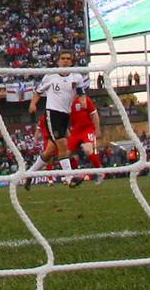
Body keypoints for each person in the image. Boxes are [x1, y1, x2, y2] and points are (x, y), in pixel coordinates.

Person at [25, 50, 85, 189]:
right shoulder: (50, 76)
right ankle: (69, 178)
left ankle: (29, 174)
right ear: (58, 61)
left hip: (65, 115)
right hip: (53, 114)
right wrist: (33, 104)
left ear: (71, 62)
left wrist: (82, 101)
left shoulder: (76, 77)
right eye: (63, 58)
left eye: (68, 58)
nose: (65, 61)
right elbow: (38, 92)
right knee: (63, 145)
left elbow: (81, 93)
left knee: (49, 152)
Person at [67, 87, 103, 187]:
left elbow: (94, 114)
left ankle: (100, 172)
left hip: (87, 129)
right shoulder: (68, 103)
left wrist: (97, 129)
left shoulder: (86, 100)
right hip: (75, 131)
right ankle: (75, 175)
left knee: (88, 150)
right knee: (66, 155)